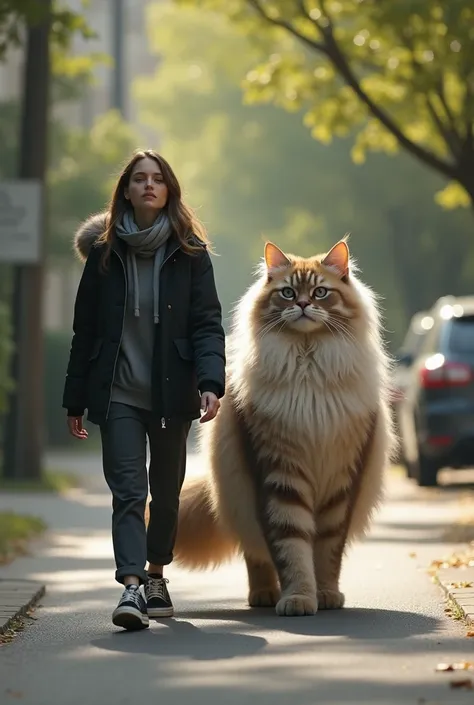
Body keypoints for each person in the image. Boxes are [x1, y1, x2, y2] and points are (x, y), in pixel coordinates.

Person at [62, 149, 225, 631]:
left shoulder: (190, 252)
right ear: (126, 190)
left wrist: (211, 382)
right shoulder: (104, 254)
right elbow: (85, 330)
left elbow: (207, 324)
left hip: (172, 392)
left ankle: (157, 572)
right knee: (129, 491)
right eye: (139, 179)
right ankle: (132, 586)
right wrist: (75, 397)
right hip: (118, 394)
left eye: (157, 179)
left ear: (169, 189)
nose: (149, 185)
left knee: (166, 493)